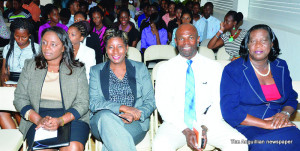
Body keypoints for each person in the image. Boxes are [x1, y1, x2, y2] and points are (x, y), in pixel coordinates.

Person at [152, 23, 248, 151]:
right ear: (175, 41)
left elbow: (219, 102)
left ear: (198, 40)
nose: (186, 42)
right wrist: (185, 129)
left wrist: (204, 126)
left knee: (239, 143)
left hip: (208, 120)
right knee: (160, 145)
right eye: (181, 38)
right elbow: (163, 104)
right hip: (175, 122)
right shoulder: (165, 68)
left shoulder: (213, 67)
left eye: (191, 37)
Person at [220, 24, 300, 151]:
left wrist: (284, 114)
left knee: (297, 138)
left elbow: (291, 98)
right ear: (247, 45)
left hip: (278, 123)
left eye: (263, 41)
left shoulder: (281, 66)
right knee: (264, 145)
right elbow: (230, 111)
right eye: (253, 41)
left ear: (271, 44)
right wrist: (266, 124)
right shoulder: (233, 69)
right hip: (247, 125)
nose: (258, 45)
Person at [13, 26, 90, 150]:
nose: (47, 47)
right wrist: (38, 120)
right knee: (43, 149)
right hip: (38, 116)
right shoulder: (31, 66)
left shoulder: (77, 70)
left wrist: (61, 120)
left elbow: (83, 102)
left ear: (64, 48)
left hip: (70, 117)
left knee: (73, 147)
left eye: (53, 44)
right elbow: (20, 98)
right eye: (44, 42)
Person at [89, 28, 156, 151]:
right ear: (106, 50)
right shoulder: (96, 71)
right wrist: (123, 108)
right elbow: (94, 103)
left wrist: (135, 115)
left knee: (112, 137)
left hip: (134, 122)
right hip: (101, 121)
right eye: (110, 47)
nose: (115, 51)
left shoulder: (140, 69)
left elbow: (150, 101)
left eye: (119, 46)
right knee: (105, 117)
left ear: (126, 48)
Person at [0, 18, 39, 130]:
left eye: (24, 37)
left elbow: (38, 76)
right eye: (17, 36)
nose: (20, 40)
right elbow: (4, 72)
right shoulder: (8, 48)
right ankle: (16, 140)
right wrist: (5, 83)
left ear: (30, 35)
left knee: (19, 111)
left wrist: (19, 86)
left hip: (29, 86)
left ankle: (24, 138)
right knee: (2, 112)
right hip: (10, 84)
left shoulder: (37, 49)